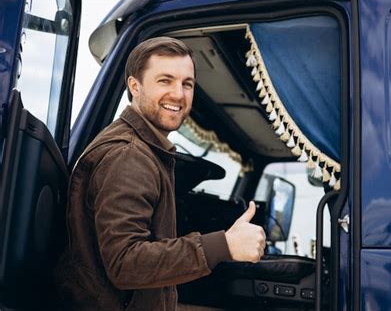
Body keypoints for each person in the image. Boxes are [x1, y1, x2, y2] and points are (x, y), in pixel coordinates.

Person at [55, 37, 266, 310]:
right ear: (135, 86)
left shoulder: (147, 150)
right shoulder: (129, 156)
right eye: (165, 81)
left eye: (187, 84)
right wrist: (223, 245)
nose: (178, 94)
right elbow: (125, 263)